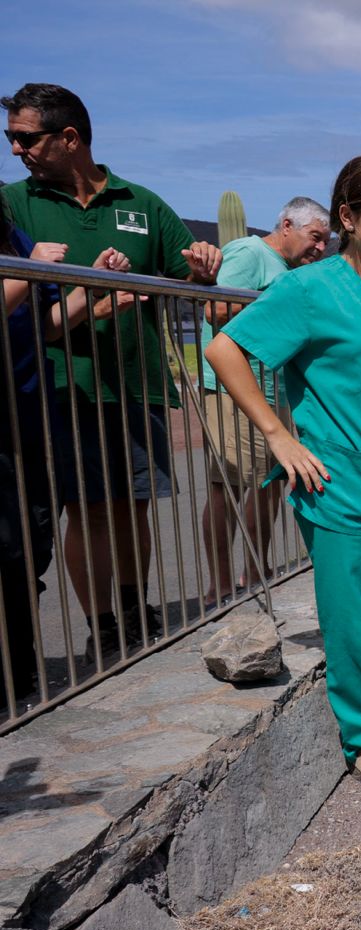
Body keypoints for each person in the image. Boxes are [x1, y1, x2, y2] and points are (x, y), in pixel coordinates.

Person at [203, 156, 361, 799]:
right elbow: (225, 349)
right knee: (356, 620)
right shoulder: (308, 289)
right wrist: (277, 435)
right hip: (341, 483)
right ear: (346, 217)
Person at [3, 83, 221, 662]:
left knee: (135, 506)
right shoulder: (13, 204)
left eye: (24, 139)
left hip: (136, 381)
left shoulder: (142, 204)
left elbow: (189, 277)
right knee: (89, 510)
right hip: (61, 387)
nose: (16, 151)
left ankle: (133, 608)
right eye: (11, 140)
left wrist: (204, 265)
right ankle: (103, 626)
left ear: (69, 137)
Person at [2, 191, 137, 700]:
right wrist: (27, 271)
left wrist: (92, 278)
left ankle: (19, 669)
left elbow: (47, 324)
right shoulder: (23, 254)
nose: (18, 150)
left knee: (31, 543)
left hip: (29, 408)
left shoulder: (13, 235)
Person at [198, 196, 331, 607]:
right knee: (230, 486)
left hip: (269, 387)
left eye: (326, 241)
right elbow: (214, 309)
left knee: (269, 484)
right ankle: (221, 584)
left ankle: (256, 570)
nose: (321, 248)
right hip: (233, 388)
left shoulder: (287, 269)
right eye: (315, 237)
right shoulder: (251, 252)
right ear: (287, 226)